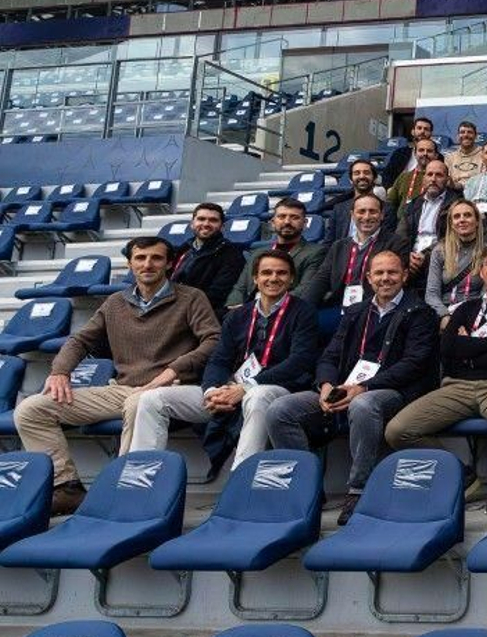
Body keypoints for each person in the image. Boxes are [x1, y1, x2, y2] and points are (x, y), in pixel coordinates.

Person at [16, 236, 220, 514]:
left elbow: (213, 340)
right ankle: (67, 488)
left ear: (169, 263)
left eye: (156, 258)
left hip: (170, 388)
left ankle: (125, 492)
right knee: (31, 409)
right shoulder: (115, 303)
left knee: (140, 404)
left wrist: (173, 369)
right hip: (122, 389)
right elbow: (80, 341)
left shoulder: (191, 298)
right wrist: (60, 372)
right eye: (140, 258)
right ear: (130, 263)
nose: (148, 264)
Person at [267, 248, 440, 524]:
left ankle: (358, 490)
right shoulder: (356, 311)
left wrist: (364, 387)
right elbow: (330, 355)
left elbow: (414, 364)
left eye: (392, 272)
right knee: (280, 409)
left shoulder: (420, 312)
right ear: (369, 278)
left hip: (394, 391)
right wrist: (325, 385)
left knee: (363, 404)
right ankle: (305, 487)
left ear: (405, 276)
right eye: (379, 273)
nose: (386, 278)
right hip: (345, 387)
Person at [127, 249, 319, 471]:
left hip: (278, 389)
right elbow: (218, 360)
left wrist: (246, 387)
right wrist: (212, 391)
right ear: (255, 278)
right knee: (153, 399)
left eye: (281, 273)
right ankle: (141, 478)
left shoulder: (304, 312)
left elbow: (299, 361)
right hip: (230, 390)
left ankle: (241, 478)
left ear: (292, 278)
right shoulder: (238, 315)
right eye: (266, 273)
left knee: (258, 396)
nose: (273, 278)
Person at [386, 244, 487, 514]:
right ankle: (460, 470)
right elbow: (448, 349)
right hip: (457, 385)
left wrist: (468, 347)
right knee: (398, 430)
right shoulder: (465, 308)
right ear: (481, 272)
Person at [297, 192, 394, 309]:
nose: (367, 217)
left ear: (382, 215)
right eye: (361, 211)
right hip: (340, 304)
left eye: (372, 211)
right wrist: (301, 310)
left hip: (374, 306)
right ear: (352, 215)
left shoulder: (395, 243)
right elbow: (321, 279)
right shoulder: (339, 246)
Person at [229, 197, 327, 307]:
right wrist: (234, 306)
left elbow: (305, 289)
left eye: (294, 217)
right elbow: (240, 287)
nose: (287, 222)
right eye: (281, 217)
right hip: (247, 310)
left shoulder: (316, 252)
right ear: (272, 223)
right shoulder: (258, 252)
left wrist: (263, 305)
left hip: (287, 310)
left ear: (304, 223)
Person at [170, 202, 246, 318]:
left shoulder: (231, 254)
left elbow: (217, 294)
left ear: (222, 227)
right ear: (192, 224)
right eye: (201, 219)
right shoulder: (183, 249)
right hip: (172, 307)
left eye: (213, 220)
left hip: (199, 314)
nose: (206, 224)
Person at [395, 159, 461, 286]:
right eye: (430, 174)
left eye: (439, 175)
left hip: (440, 258)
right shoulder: (413, 205)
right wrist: (406, 255)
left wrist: (426, 256)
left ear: (447, 179)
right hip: (410, 258)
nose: (433, 179)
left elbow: (452, 237)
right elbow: (400, 235)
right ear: (424, 178)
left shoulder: (456, 203)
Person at [425, 200, 487, 318]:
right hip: (445, 311)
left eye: (467, 215)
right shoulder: (439, 251)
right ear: (452, 224)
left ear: (477, 221)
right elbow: (431, 293)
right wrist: (444, 316)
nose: (462, 220)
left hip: (474, 313)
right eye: (457, 217)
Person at [329, 159, 394, 241]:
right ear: (350, 180)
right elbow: (329, 243)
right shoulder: (339, 209)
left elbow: (387, 241)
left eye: (366, 173)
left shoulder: (388, 209)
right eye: (357, 173)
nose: (362, 176)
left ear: (374, 178)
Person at [386, 137, 440, 213]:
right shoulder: (403, 177)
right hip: (402, 222)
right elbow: (390, 203)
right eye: (421, 150)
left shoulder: (440, 179)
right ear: (415, 154)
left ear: (436, 155)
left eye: (429, 151)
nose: (425, 153)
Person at [381, 115, 435, 187]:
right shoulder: (400, 153)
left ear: (431, 134)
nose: (422, 131)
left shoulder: (436, 156)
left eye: (426, 129)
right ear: (413, 132)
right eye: (419, 128)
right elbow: (388, 175)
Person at [444, 121, 484, 188]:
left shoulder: (485, 154)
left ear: (476, 136)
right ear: (457, 136)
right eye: (462, 132)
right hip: (454, 193)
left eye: (470, 132)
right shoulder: (450, 157)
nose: (466, 135)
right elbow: (446, 179)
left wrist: (461, 185)